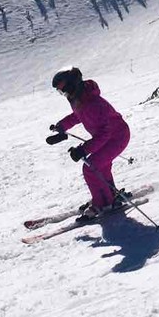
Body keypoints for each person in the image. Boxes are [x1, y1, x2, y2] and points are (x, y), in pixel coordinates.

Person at [50, 67, 130, 218]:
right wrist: (61, 126)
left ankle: (104, 203)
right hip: (108, 137)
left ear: (73, 85)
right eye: (61, 92)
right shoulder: (79, 99)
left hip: (117, 137)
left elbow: (104, 133)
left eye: (64, 89)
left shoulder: (93, 103)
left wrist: (83, 150)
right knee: (101, 166)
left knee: (91, 167)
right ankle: (108, 195)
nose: (64, 94)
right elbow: (77, 116)